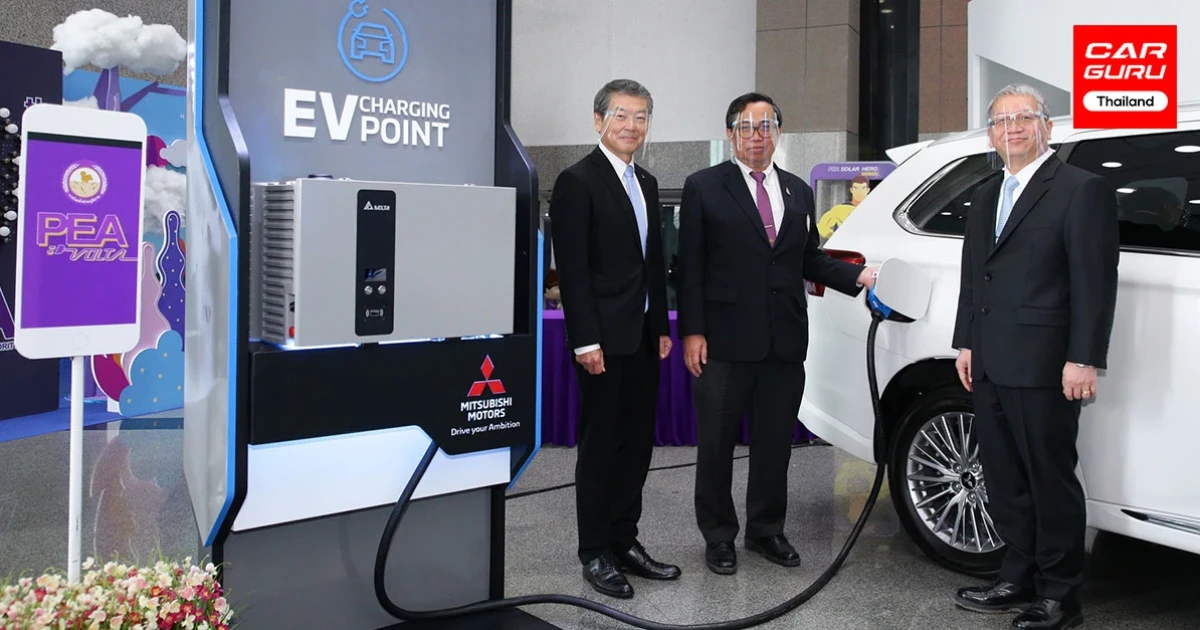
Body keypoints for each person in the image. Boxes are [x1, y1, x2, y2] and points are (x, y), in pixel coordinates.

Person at [676, 92, 877, 575]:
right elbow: (690, 267)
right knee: (717, 444)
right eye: (747, 127)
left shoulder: (797, 192)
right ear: (731, 134)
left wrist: (859, 276)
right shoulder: (704, 186)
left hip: (783, 341)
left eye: (766, 126)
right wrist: (692, 332)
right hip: (724, 342)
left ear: (778, 133)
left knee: (774, 444)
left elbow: (807, 259)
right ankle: (718, 535)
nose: (757, 136)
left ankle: (766, 530)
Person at [951, 83, 1119, 630]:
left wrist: (1084, 357)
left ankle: (1059, 595)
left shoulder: (1080, 189)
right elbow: (975, 277)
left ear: (1047, 125)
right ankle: (1016, 575)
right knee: (1004, 477)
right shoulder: (985, 195)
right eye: (1001, 121)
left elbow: (1094, 281)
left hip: (1046, 363)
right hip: (990, 360)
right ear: (990, 135)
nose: (1013, 129)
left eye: (1024, 118)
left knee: (1050, 480)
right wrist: (966, 341)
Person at [548, 79, 679, 599]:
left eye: (641, 116)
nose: (631, 126)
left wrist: (660, 327)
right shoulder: (576, 181)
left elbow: (652, 264)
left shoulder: (645, 180)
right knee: (601, 446)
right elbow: (573, 269)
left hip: (642, 337)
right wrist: (585, 340)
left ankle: (625, 540)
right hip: (601, 341)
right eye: (621, 115)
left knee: (636, 445)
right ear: (598, 120)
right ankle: (595, 552)